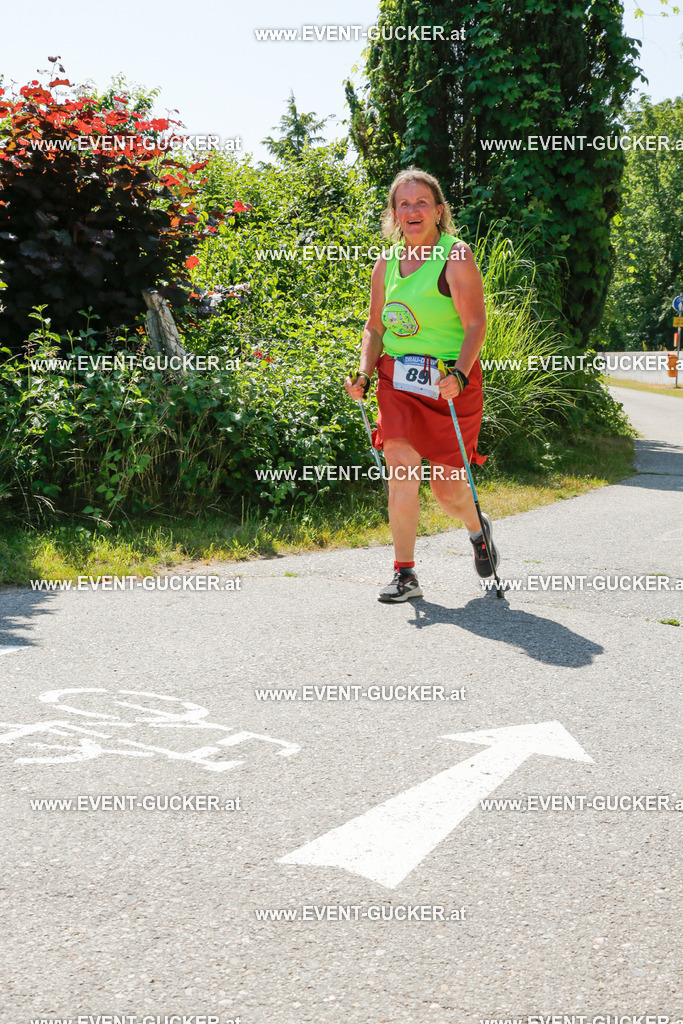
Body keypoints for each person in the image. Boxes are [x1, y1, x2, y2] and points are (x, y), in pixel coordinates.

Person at [345, 167, 499, 603]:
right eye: (404, 204)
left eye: (421, 203)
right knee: (401, 467)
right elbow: (374, 329)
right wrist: (363, 372)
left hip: (450, 381)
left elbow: (475, 325)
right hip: (397, 380)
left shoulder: (456, 256)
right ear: (394, 213)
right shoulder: (386, 262)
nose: (412, 211)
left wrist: (461, 375)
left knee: (447, 488)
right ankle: (405, 574)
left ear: (438, 211)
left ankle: (476, 529)